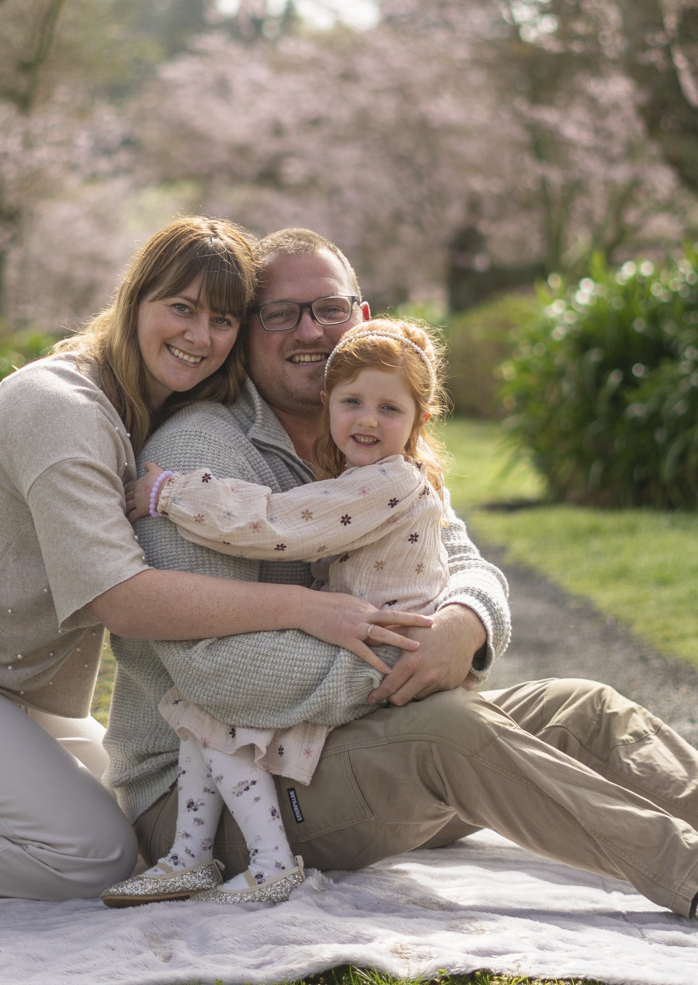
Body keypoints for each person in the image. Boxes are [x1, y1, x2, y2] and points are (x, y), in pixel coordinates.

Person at [101, 228, 698, 965]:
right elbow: (213, 670)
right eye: (280, 312)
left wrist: (465, 623)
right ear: (248, 331)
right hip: (226, 796)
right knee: (452, 728)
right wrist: (405, 666)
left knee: (583, 706)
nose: (308, 328)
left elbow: (463, 559)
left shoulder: (370, 433)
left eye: (328, 307)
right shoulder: (200, 454)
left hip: (344, 748)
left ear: (361, 317)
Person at [0, 217, 433, 947]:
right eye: (181, 308)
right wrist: (307, 608)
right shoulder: (62, 409)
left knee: (124, 831)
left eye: (223, 318)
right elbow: (123, 600)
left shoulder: (159, 406)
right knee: (89, 854)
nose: (200, 335)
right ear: (135, 299)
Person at [101, 318, 452, 905]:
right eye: (352, 402)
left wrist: (172, 494)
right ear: (328, 403)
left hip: (385, 650)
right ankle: (188, 857)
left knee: (215, 704)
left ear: (420, 419)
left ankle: (267, 862)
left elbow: (276, 525)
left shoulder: (389, 482)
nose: (367, 419)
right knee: (203, 708)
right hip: (374, 639)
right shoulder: (368, 475)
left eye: (388, 409)